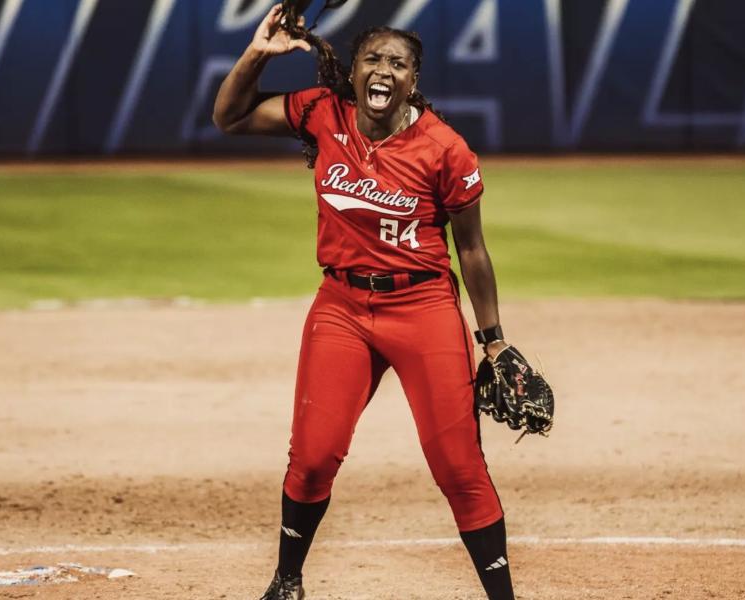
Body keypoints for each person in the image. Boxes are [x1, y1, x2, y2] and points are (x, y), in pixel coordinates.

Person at [213, 5, 518, 599]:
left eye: (398, 63)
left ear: (414, 79)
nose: (384, 70)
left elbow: (473, 251)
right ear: (352, 71)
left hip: (423, 306)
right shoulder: (323, 115)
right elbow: (230, 117)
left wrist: (494, 339)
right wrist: (258, 53)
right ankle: (286, 582)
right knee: (314, 457)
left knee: (458, 466)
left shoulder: (444, 149)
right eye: (372, 59)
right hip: (342, 308)